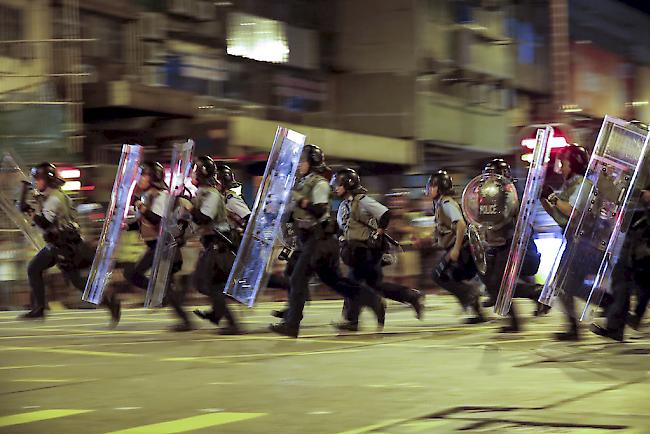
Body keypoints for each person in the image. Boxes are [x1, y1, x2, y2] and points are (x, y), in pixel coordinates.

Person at [269, 145, 385, 337]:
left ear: (312, 163)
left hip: (319, 239)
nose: (299, 165)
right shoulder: (302, 184)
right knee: (336, 282)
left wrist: (298, 200)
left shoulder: (320, 184)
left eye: (303, 161)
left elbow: (320, 210)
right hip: (310, 240)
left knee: (298, 279)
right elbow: (292, 213)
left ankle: (292, 324)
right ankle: (372, 300)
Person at [18, 162, 120, 325]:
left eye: (38, 179)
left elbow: (44, 222)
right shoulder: (54, 196)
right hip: (56, 244)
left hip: (64, 246)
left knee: (78, 282)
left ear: (47, 180)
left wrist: (28, 210)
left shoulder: (55, 199)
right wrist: (33, 206)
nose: (35, 182)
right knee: (34, 268)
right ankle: (39, 308)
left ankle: (110, 301)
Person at [332, 167, 424, 328]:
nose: (336, 188)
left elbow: (385, 214)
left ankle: (352, 319)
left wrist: (378, 233)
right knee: (375, 286)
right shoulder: (344, 205)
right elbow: (343, 227)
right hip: (355, 251)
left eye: (339, 184)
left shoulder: (362, 201)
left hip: (366, 251)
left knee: (353, 284)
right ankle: (411, 296)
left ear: (348, 184)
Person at [123, 161, 192, 331]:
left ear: (153, 177)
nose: (140, 179)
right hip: (156, 246)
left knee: (136, 274)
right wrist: (127, 226)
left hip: (164, 245)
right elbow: (144, 222)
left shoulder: (161, 196)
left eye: (143, 175)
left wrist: (140, 206)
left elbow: (158, 220)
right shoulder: (149, 197)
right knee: (139, 276)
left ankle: (182, 317)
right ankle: (169, 304)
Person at [477, 159, 543, 333]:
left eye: (491, 174)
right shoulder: (489, 193)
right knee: (493, 282)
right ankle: (534, 295)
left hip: (510, 241)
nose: (488, 178)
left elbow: (514, 216)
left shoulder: (512, 192)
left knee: (500, 283)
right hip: (496, 242)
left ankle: (534, 295)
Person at [540, 144, 592, 341]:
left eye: (564, 163)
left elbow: (572, 211)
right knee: (562, 285)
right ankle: (573, 328)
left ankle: (611, 305)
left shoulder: (583, 185)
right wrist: (544, 199)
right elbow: (560, 217)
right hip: (573, 241)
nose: (560, 168)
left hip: (584, 243)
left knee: (568, 286)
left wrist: (552, 197)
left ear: (575, 164)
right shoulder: (571, 186)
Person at [187, 156, 240, 335]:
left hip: (219, 244)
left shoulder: (212, 194)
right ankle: (220, 315)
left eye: (195, 170)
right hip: (211, 243)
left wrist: (189, 208)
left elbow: (204, 218)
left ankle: (228, 319)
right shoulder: (201, 193)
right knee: (210, 284)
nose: (192, 173)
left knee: (205, 283)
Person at [424, 170, 485, 324]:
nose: (429, 189)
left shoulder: (446, 203)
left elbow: (461, 224)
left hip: (461, 248)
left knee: (438, 275)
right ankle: (478, 312)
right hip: (458, 247)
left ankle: (470, 294)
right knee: (456, 277)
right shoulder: (440, 204)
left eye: (432, 186)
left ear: (439, 188)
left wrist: (456, 249)